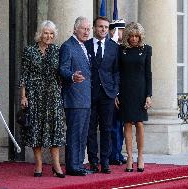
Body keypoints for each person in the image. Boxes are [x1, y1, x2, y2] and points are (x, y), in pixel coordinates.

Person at [19, 20, 65, 178]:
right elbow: (24, 74)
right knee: (36, 129)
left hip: (53, 95)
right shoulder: (29, 51)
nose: (49, 36)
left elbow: (62, 73)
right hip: (34, 94)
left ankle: (56, 165)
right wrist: (23, 96)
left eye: (51, 33)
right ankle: (38, 164)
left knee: (55, 130)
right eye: (46, 33)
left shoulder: (57, 51)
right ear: (40, 33)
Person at [84, 16, 119, 174]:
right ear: (94, 28)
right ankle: (93, 161)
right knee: (90, 129)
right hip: (90, 93)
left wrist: (115, 90)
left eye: (106, 27)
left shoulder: (114, 47)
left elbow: (117, 71)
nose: (103, 29)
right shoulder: (85, 45)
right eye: (100, 27)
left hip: (107, 94)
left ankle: (105, 162)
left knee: (107, 128)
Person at [116, 22, 152, 172]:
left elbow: (148, 74)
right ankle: (130, 157)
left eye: (137, 36)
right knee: (127, 123)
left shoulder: (146, 49)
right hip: (125, 90)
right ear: (127, 36)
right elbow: (117, 72)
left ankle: (141, 156)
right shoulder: (121, 50)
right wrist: (116, 93)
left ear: (140, 36)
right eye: (131, 36)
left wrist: (149, 95)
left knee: (139, 123)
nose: (134, 39)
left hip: (140, 90)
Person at [59, 16, 91, 176]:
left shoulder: (84, 46)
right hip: (74, 97)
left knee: (82, 134)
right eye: (84, 29)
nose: (87, 32)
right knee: (75, 134)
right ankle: (72, 166)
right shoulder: (68, 46)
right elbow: (62, 69)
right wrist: (72, 76)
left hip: (86, 98)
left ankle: (79, 164)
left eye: (88, 29)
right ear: (75, 29)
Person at [108, 19, 127, 166]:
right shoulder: (111, 47)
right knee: (114, 125)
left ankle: (118, 152)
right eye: (120, 30)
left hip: (124, 91)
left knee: (120, 125)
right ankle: (113, 154)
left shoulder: (123, 47)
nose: (122, 33)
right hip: (113, 92)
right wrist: (115, 93)